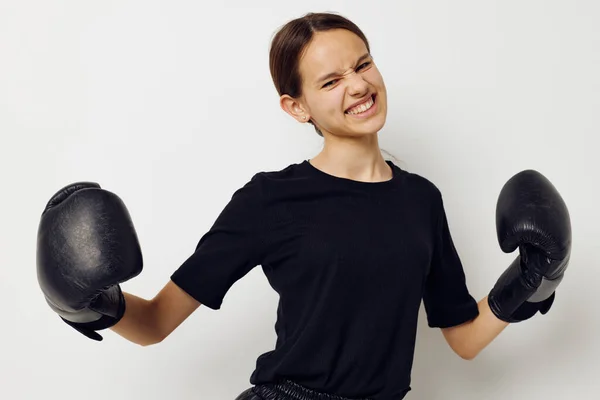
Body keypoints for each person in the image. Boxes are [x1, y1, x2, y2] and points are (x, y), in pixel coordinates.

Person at [36, 12, 572, 400]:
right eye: (332, 80)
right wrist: (88, 302)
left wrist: (529, 279)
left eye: (363, 65)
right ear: (297, 107)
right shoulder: (272, 199)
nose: (359, 86)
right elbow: (155, 324)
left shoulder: (420, 200)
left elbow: (463, 340)